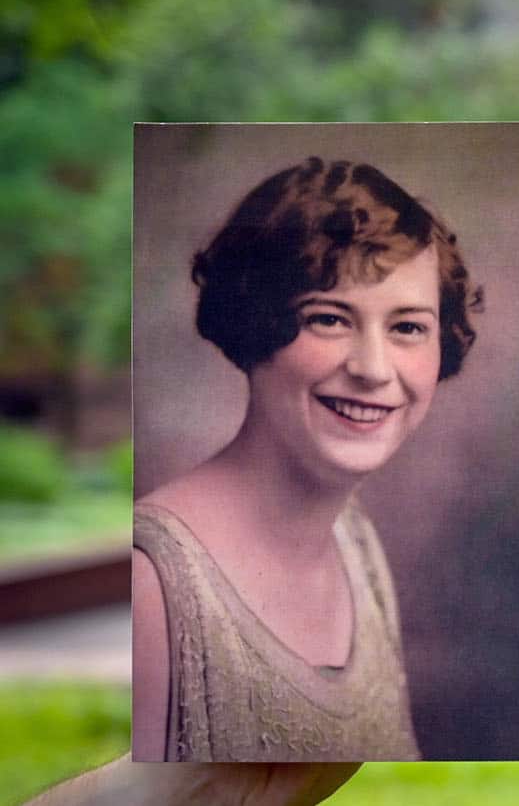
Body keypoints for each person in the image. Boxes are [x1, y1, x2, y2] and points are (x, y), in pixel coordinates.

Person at [130, 157, 481, 763]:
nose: (373, 369)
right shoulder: (152, 583)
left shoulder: (357, 544)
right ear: (252, 323)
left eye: (407, 328)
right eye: (328, 318)